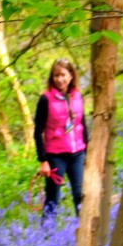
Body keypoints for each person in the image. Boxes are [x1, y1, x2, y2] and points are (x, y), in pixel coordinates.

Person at [34, 58, 88, 222]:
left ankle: (84, 238)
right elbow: (37, 132)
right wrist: (43, 160)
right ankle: (46, 238)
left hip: (78, 154)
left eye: (63, 75)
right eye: (56, 75)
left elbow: (83, 125)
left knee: (81, 196)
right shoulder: (45, 99)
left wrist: (89, 151)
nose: (60, 79)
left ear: (71, 75)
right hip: (55, 156)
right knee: (53, 199)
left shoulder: (78, 96)